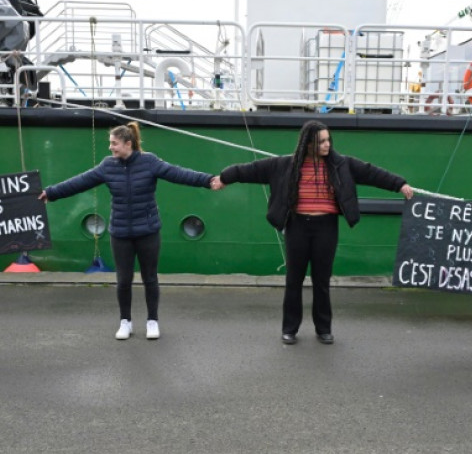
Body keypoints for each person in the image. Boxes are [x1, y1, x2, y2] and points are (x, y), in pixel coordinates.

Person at [216, 120, 414, 345]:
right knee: (294, 280)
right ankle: (289, 329)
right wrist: (225, 177)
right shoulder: (284, 165)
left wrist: (399, 184)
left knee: (322, 281)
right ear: (308, 143)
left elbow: (372, 173)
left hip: (326, 227)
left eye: (328, 140)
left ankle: (323, 329)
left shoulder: (342, 165)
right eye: (321, 141)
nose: (327, 145)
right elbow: (250, 170)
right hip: (297, 226)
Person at [39, 122, 220, 341]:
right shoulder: (108, 166)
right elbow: (80, 181)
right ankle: (125, 322)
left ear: (128, 143)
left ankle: (152, 321)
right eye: (110, 143)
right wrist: (51, 193)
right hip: (121, 233)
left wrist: (207, 180)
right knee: (123, 280)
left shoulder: (149, 162)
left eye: (114, 143)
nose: (111, 148)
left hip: (148, 231)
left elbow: (178, 173)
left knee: (150, 278)